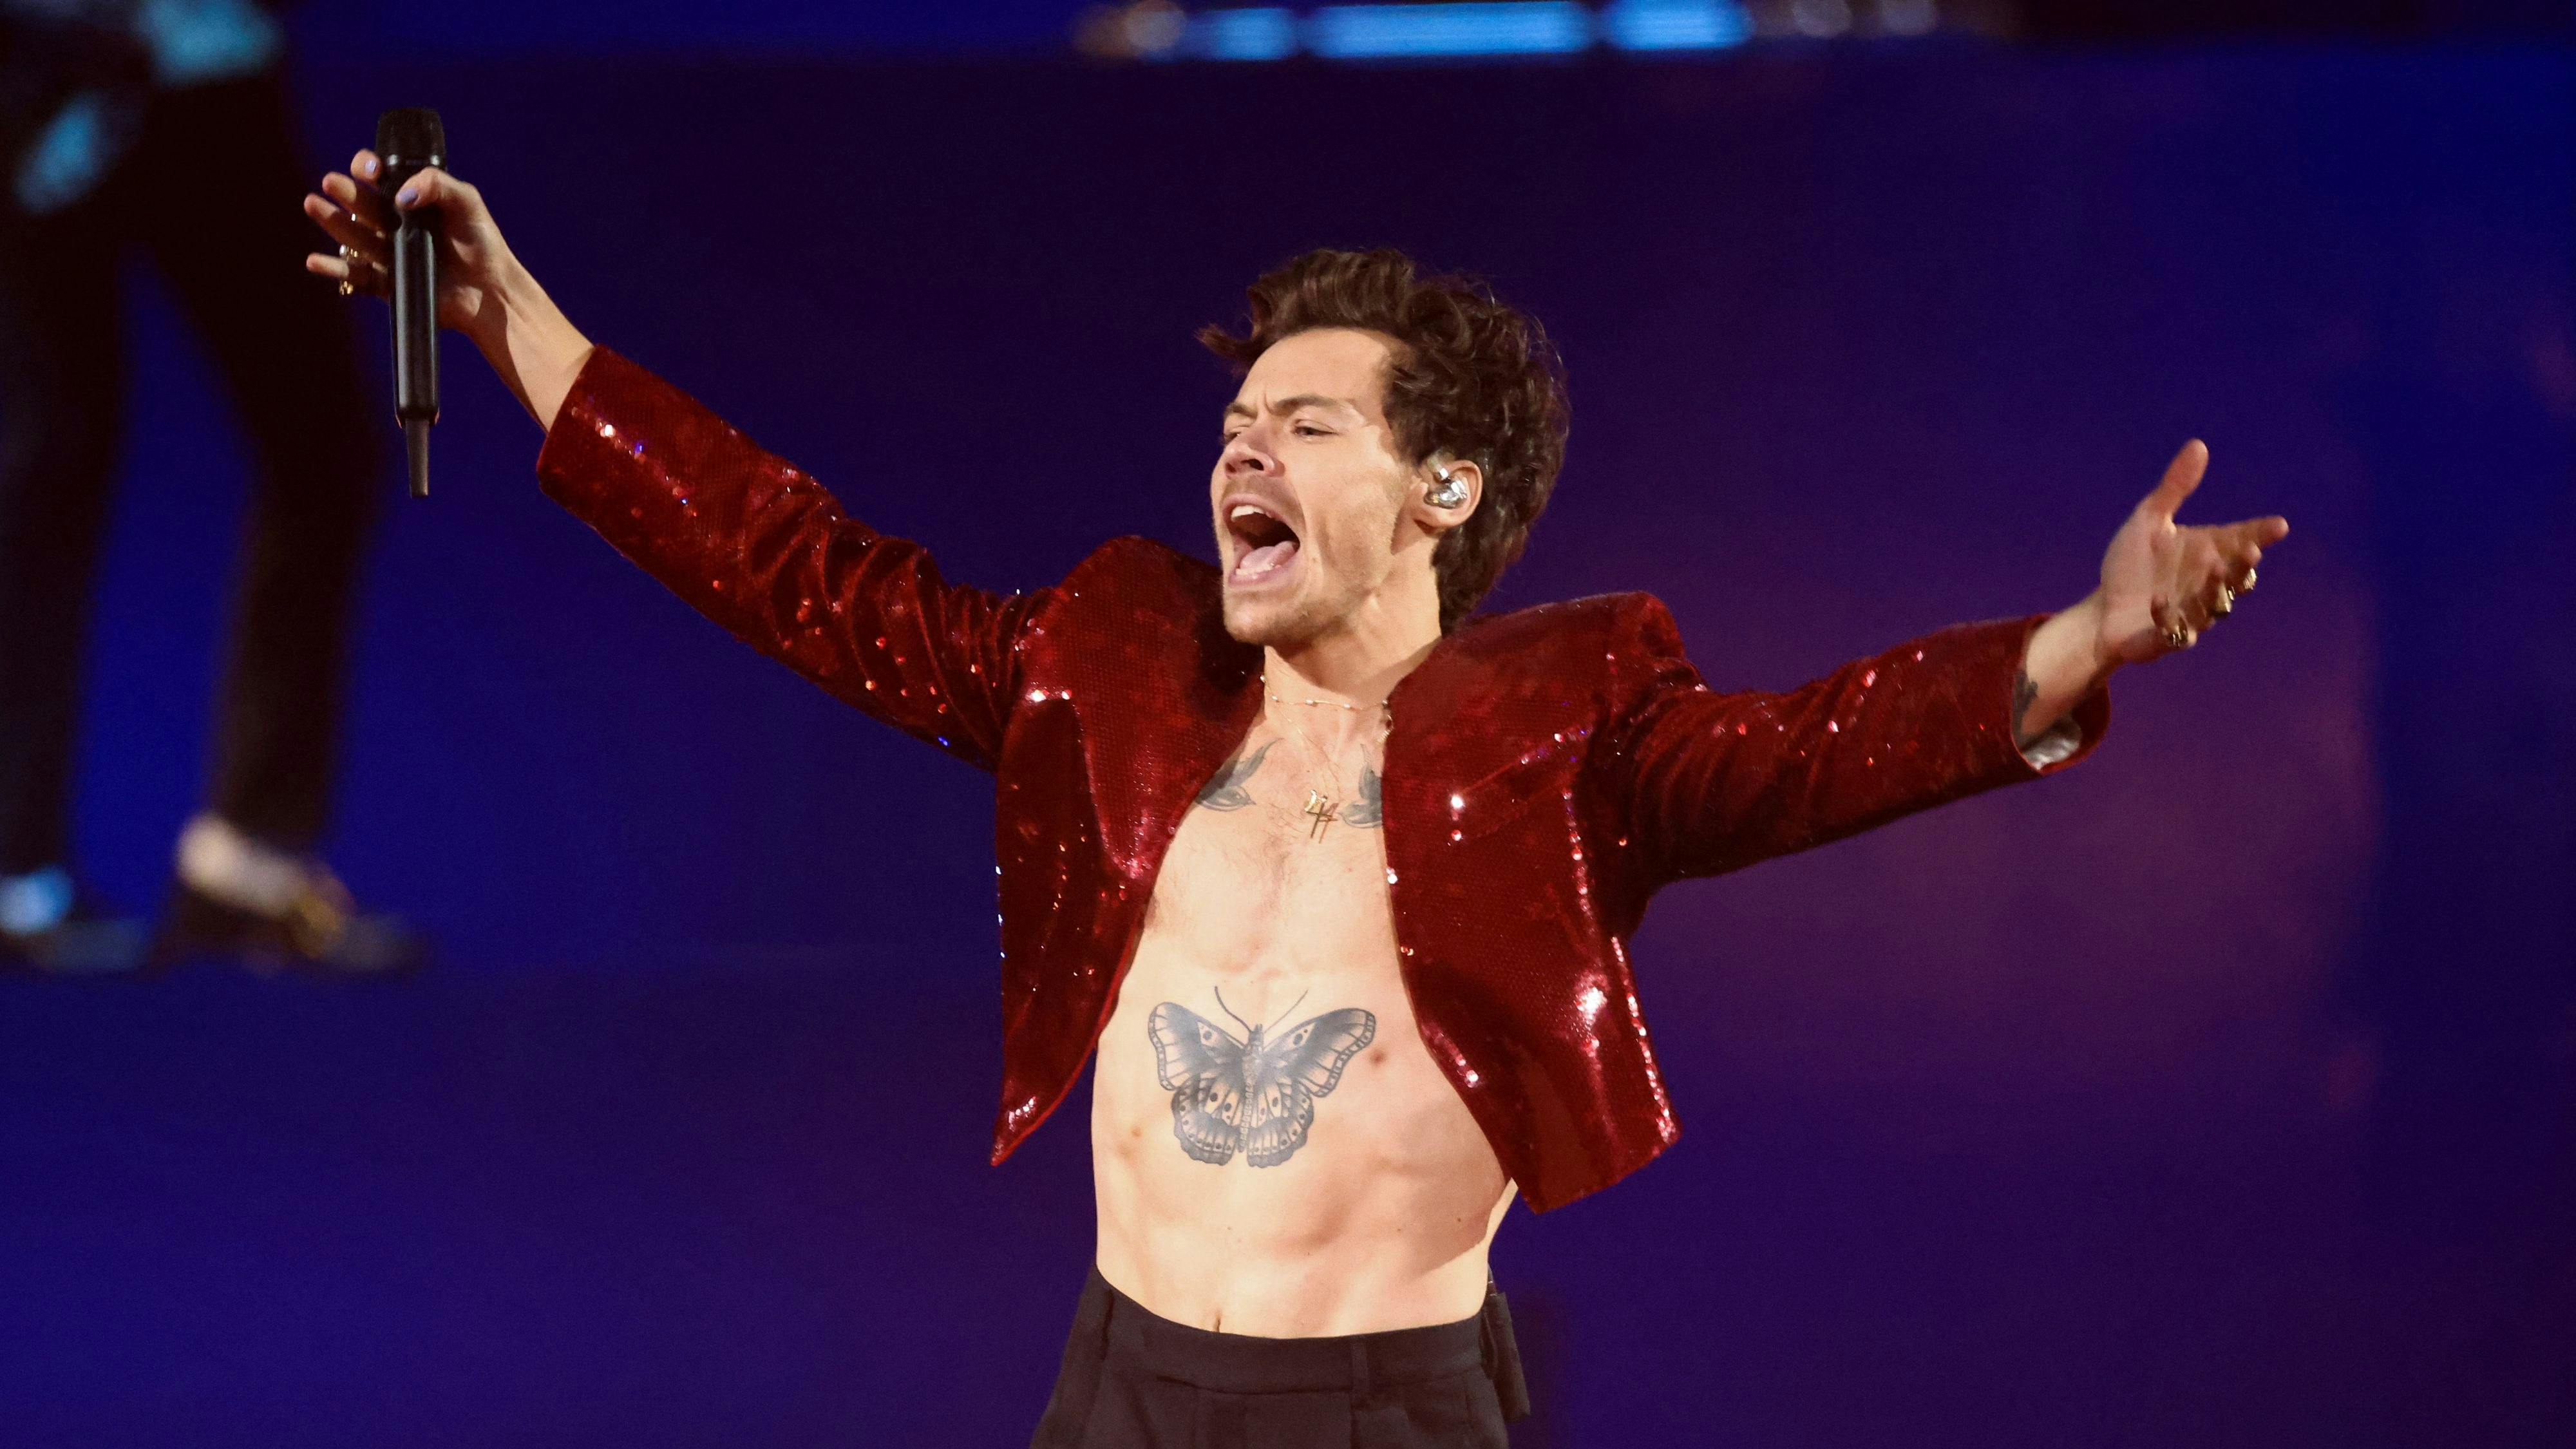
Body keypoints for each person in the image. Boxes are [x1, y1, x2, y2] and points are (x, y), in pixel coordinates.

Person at [302, 147, 2287, 1445]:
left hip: (1386, 1410)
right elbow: (803, 571)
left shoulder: (1567, 734)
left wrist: (2081, 640)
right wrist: (515, 326)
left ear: (1437, 492)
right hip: (1120, 1383)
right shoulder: (1111, 675)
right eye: (1234, 422)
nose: (1239, 453)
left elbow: (1817, 747)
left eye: (1303, 422)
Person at [0, 1, 417, 974]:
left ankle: (249, 865)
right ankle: (13, 878)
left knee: (322, 446)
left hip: (213, 73)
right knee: (43, 458)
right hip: (42, 75)